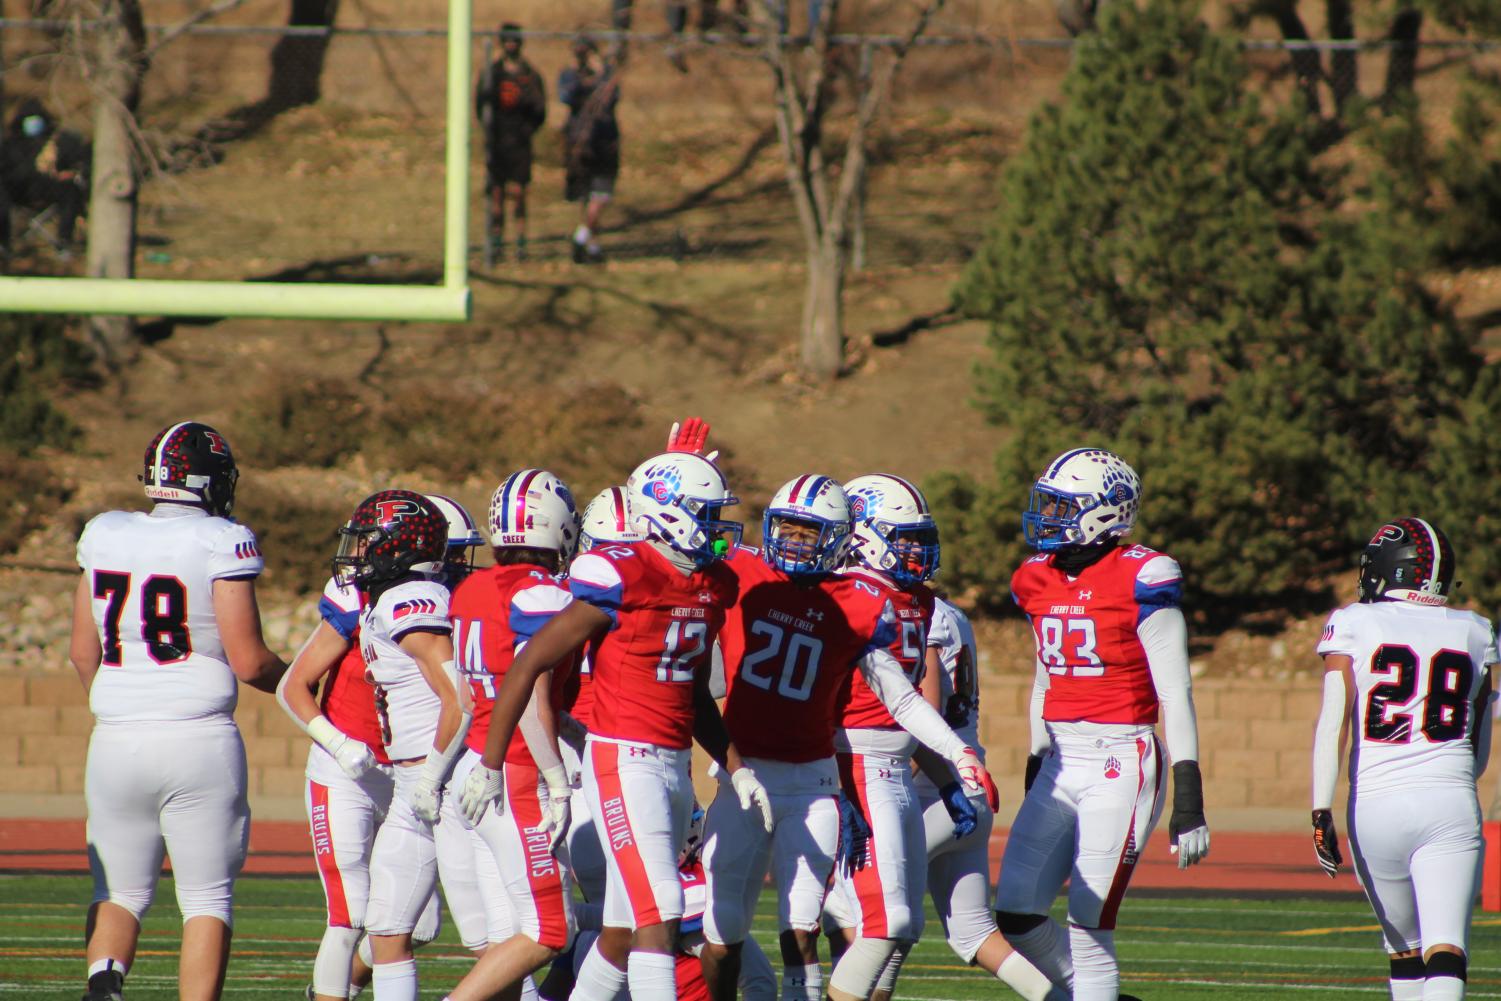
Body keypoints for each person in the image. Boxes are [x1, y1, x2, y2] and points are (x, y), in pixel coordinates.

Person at [460, 448, 772, 1001]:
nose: (718, 529)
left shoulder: (710, 584)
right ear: (668, 513)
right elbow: (529, 663)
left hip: (675, 765)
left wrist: (736, 766)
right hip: (623, 760)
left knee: (622, 930)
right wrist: (489, 760)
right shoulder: (621, 573)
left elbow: (694, 690)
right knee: (663, 910)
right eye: (704, 513)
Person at [699, 473, 998, 1001]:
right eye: (786, 529)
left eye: (809, 532)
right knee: (723, 934)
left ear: (840, 539)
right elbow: (687, 545)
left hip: (814, 785)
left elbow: (901, 697)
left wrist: (957, 752)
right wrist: (682, 470)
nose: (793, 542)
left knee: (803, 921)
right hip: (746, 776)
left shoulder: (855, 604)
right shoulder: (747, 570)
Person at [70, 421, 287, 1001]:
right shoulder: (222, 538)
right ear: (210, 480)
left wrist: (124, 702)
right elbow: (248, 660)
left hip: (115, 736)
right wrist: (303, 688)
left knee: (119, 891)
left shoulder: (106, 532)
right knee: (207, 898)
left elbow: (81, 651)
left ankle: (104, 981)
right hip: (197, 737)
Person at [995, 448, 1208, 1001]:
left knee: (1089, 925)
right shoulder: (1035, 577)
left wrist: (1189, 798)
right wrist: (1036, 757)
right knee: (1016, 913)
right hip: (1062, 758)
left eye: (1064, 505)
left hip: (1122, 756)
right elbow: (1044, 674)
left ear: (1107, 512)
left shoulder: (1143, 573)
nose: (1048, 515)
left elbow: (1174, 692)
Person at [275, 494, 480, 1001]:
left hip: (421, 768)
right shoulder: (364, 596)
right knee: (353, 912)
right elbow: (292, 684)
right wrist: (341, 745)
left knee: (422, 923)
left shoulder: (453, 600)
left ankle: (348, 980)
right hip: (351, 762)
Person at [820, 473, 998, 1001]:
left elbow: (901, 698)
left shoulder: (908, 599)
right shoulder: (851, 595)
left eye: (919, 538)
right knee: (867, 918)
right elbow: (897, 699)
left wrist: (949, 768)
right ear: (864, 535)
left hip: (892, 769)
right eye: (903, 537)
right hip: (842, 766)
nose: (916, 550)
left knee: (900, 926)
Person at [1310, 517, 1496, 1001]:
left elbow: (1334, 721)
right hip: (1450, 799)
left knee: (1404, 951)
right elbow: (1479, 745)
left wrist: (1319, 808)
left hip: (1376, 803)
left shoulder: (1353, 620)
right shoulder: (1476, 631)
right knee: (1447, 951)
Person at [442, 470, 582, 1001]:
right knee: (549, 931)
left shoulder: (472, 587)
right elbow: (526, 698)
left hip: (475, 765)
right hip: (517, 777)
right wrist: (557, 780)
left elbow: (465, 697)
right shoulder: (540, 594)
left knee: (510, 935)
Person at [913, 595, 1066, 1001]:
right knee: (973, 932)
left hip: (933, 792)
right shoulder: (951, 613)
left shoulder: (914, 613)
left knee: (869, 917)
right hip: (970, 789)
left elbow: (924, 719)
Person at [475, 23, 546, 262]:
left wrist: (527, 129)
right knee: (496, 195)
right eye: (507, 40)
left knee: (519, 193)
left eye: (514, 40)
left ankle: (520, 243)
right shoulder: (492, 73)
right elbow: (480, 106)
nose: (511, 45)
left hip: (520, 142)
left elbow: (540, 111)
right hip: (497, 142)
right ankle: (495, 244)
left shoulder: (529, 75)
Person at [557, 36, 620, 264]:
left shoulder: (606, 75)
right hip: (580, 144)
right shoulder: (569, 75)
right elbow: (565, 96)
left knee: (600, 197)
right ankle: (590, 245)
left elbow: (612, 97)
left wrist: (600, 73)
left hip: (604, 142)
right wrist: (581, 77)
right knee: (589, 198)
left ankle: (583, 239)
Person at [2, 97, 88, 252]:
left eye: (36, 119)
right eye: (29, 120)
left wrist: (67, 173)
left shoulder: (56, 142)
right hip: (18, 191)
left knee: (70, 189)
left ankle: (64, 239)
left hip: (49, 188)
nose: (33, 124)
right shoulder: (10, 146)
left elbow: (75, 163)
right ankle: (3, 242)